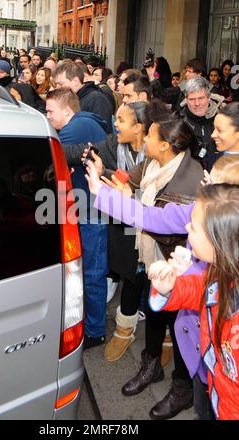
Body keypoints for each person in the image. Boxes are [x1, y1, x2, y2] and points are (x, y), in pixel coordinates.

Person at [86, 113, 204, 420]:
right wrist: (104, 175)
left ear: (165, 145)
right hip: (151, 259)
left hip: (177, 266)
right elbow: (129, 179)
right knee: (154, 314)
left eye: (151, 136)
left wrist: (125, 198)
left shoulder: (190, 178)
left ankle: (183, 388)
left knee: (181, 330)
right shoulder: (152, 164)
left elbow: (160, 222)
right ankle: (151, 366)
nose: (146, 141)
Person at [148, 183, 239, 420]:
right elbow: (202, 291)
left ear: (219, 243)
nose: (187, 226)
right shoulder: (223, 273)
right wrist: (169, 288)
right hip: (214, 386)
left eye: (194, 227)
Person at [45, 88, 108, 349]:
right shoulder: (84, 122)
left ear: (68, 111)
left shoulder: (77, 126)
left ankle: (95, 331)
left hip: (91, 213)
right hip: (85, 210)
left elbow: (49, 153)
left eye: (50, 111)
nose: (46, 116)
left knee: (92, 274)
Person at [53, 62, 114, 134]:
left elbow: (102, 133)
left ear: (75, 81)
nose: (57, 87)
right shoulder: (70, 98)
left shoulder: (97, 98)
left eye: (61, 84)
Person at [180, 76, 225, 170]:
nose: (197, 103)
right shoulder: (179, 122)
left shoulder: (223, 119)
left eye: (201, 98)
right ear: (186, 100)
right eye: (192, 99)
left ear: (209, 98)